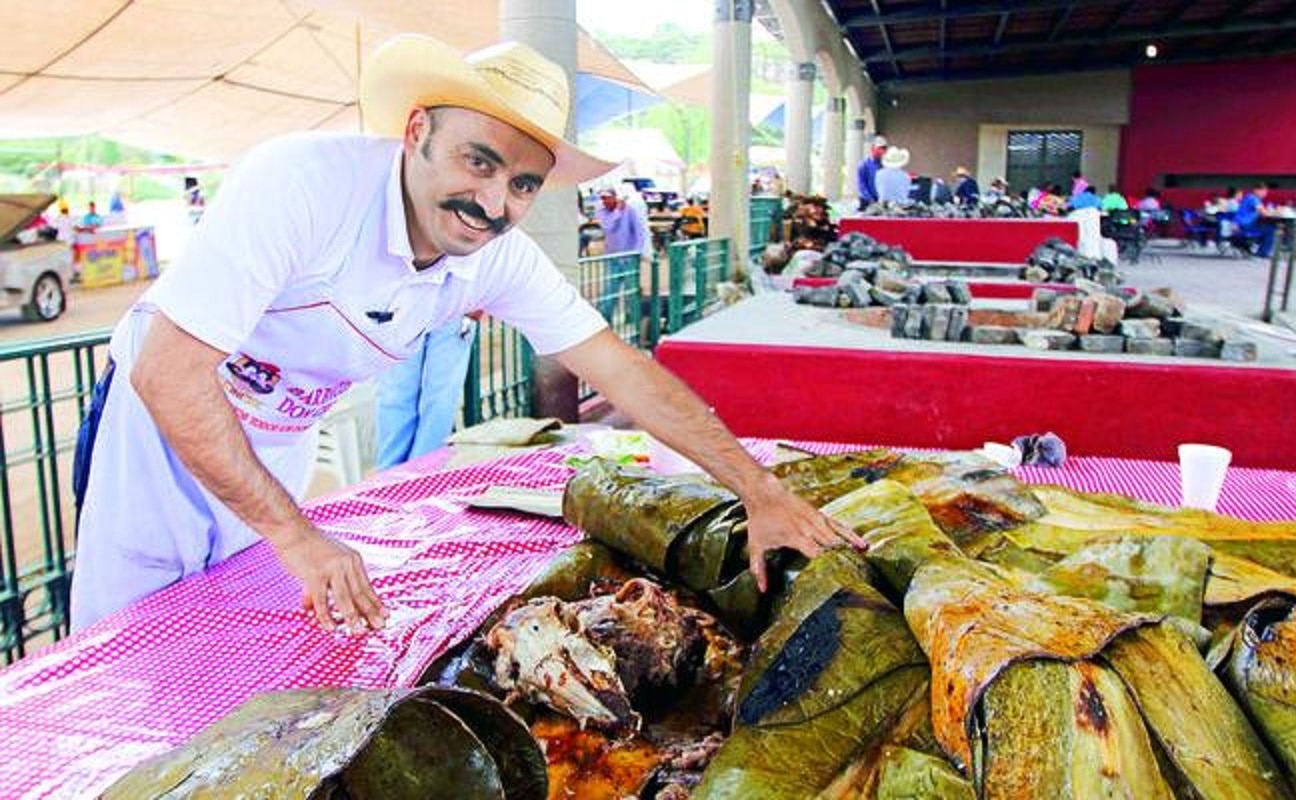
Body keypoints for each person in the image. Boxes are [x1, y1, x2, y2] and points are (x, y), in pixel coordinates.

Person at [69, 36, 860, 633]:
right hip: (159, 434)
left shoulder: (495, 257)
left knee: (233, 631)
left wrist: (759, 490)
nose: (493, 202)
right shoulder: (299, 184)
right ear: (416, 132)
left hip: (277, 437)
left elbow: (622, 371)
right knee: (130, 639)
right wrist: (300, 535)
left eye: (522, 184)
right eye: (477, 162)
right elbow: (170, 374)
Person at [375, 315, 476, 468]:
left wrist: (476, 308)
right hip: (399, 304)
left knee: (442, 396)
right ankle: (390, 477)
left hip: (456, 306)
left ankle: (421, 474)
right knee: (394, 394)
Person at [593, 187, 645, 320]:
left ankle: (633, 317)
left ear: (615, 197)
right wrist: (618, 211)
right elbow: (608, 227)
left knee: (631, 289)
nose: (605, 201)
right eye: (603, 198)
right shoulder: (601, 212)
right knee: (610, 290)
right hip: (612, 257)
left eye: (607, 198)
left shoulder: (630, 210)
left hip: (629, 257)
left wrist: (637, 252)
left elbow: (639, 232)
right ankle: (605, 318)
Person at [856, 135, 888, 211]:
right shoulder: (864, 165)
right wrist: (871, 200)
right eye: (880, 148)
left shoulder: (884, 165)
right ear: (873, 148)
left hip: (881, 201)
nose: (882, 151)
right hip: (866, 201)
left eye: (884, 148)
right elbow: (861, 185)